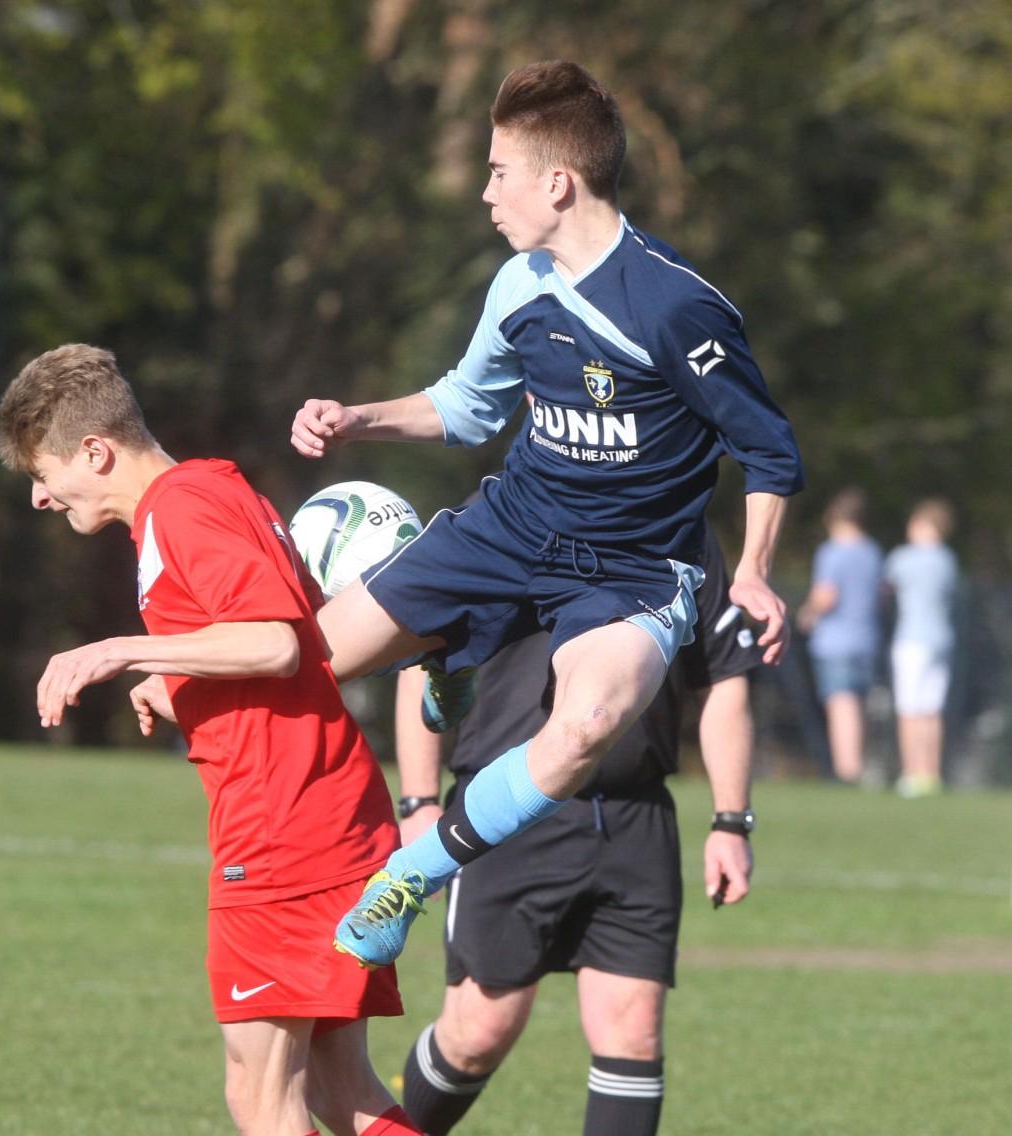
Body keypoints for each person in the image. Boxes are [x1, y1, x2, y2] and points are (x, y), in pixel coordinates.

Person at [0, 343, 546, 1136]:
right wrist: (178, 673)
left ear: (96, 449)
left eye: (47, 472)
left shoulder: (184, 510)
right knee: (340, 1080)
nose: (44, 494)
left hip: (282, 828)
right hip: (327, 809)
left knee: (261, 1090)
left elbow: (275, 637)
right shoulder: (213, 490)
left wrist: (118, 648)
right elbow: (273, 646)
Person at [291, 60, 802, 971]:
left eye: (499, 172)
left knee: (584, 727)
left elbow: (768, 451)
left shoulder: (677, 307)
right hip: (512, 529)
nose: (487, 194)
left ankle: (413, 871)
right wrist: (359, 417)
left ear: (556, 182)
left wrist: (755, 569)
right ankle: (448, 654)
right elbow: (469, 407)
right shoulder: (519, 283)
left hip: (635, 572)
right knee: (308, 659)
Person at [356, 529, 761, 1136]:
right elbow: (418, 660)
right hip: (508, 814)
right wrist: (418, 803)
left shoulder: (685, 539)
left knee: (633, 1026)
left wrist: (732, 819)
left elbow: (726, 683)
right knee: (478, 1029)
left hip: (637, 817)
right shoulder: (507, 518)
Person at [796, 487, 884, 783]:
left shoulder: (833, 552)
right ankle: (859, 764)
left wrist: (807, 614)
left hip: (835, 641)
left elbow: (826, 596)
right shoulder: (873, 552)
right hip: (867, 639)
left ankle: (848, 770)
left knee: (841, 703)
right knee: (859, 705)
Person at [885, 498, 959, 797]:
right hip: (942, 639)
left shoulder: (905, 558)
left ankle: (912, 772)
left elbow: (887, 586)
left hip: (913, 639)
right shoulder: (947, 560)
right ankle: (932, 773)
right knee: (931, 711)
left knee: (909, 710)